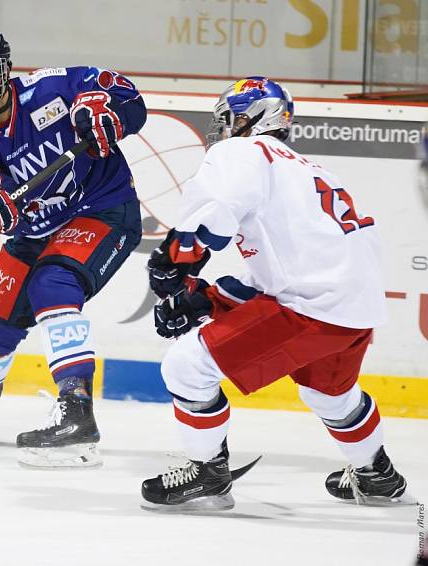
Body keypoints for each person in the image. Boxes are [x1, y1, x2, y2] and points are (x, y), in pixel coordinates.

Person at [141, 77, 413, 510]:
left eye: (228, 119)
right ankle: (376, 474)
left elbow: (213, 212)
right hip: (354, 308)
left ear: (253, 117)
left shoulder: (245, 152)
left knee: (187, 366)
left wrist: (176, 261)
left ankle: (207, 473)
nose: (223, 130)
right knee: (330, 394)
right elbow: (293, 269)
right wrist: (207, 298)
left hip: (312, 307)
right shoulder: (312, 171)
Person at [0, 25, 146, 468]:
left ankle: (76, 410)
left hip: (103, 209)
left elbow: (127, 98)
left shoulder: (52, 88)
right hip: (34, 232)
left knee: (53, 282)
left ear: (4, 70)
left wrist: (108, 112)